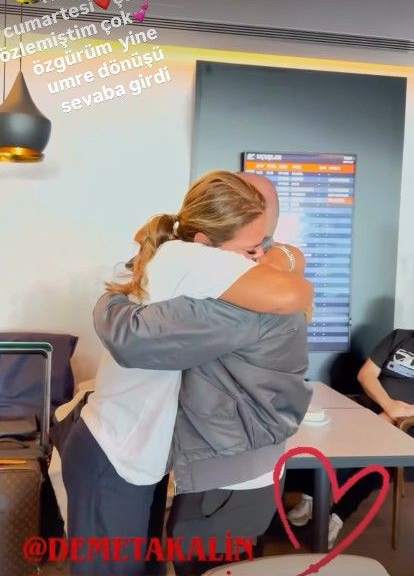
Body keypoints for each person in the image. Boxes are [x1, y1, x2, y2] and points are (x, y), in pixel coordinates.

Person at [62, 170, 313, 576]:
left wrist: (283, 256)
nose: (258, 258)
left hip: (139, 454)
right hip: (115, 452)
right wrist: (109, 305)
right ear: (205, 243)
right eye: (251, 249)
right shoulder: (194, 261)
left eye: (263, 245)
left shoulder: (194, 256)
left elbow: (285, 259)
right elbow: (292, 292)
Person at [286, 328, 414, 549]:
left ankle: (336, 517)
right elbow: (366, 374)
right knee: (324, 430)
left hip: (405, 423)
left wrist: (397, 416)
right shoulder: (400, 337)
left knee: (376, 460)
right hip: (371, 408)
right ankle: (311, 496)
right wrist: (388, 406)